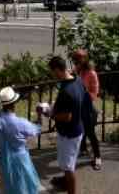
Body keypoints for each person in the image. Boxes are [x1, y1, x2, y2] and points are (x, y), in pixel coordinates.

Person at [0, 87, 42, 194]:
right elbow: (36, 129)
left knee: (5, 187)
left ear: (2, 104)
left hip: (2, 162)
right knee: (22, 186)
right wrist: (40, 116)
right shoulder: (21, 123)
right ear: (14, 104)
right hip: (21, 161)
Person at [44, 56, 87, 194]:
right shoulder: (77, 80)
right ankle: (65, 183)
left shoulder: (67, 91)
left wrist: (49, 113)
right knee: (68, 163)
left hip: (69, 134)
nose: (52, 75)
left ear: (57, 70)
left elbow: (67, 116)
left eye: (52, 71)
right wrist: (55, 107)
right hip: (76, 129)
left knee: (68, 168)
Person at [71, 49, 102, 171]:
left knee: (90, 133)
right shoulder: (76, 71)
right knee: (79, 129)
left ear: (85, 59)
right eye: (75, 59)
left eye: (79, 59)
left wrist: (83, 94)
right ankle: (83, 148)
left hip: (87, 107)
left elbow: (95, 92)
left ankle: (98, 157)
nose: (76, 62)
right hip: (77, 106)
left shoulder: (91, 73)